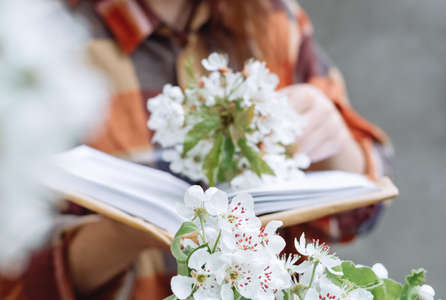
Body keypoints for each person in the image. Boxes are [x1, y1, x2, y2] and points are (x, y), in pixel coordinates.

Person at [0, 0, 392, 299]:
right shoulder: (37, 36)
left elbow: (363, 208)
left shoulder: (271, 18)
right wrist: (127, 232)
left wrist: (335, 142)